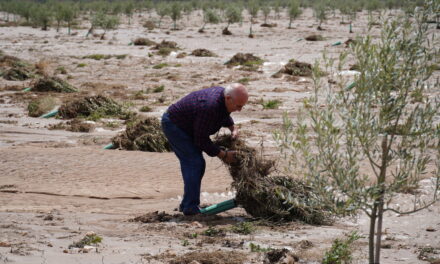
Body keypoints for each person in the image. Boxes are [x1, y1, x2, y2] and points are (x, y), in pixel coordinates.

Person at [161, 83, 249, 215]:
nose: (240, 110)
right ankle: (190, 208)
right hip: (175, 126)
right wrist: (223, 155)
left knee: (197, 164)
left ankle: (187, 204)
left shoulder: (223, 97)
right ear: (228, 98)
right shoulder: (209, 106)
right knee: (194, 162)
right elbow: (201, 139)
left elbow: (223, 112)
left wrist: (232, 127)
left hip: (190, 125)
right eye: (238, 106)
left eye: (242, 106)